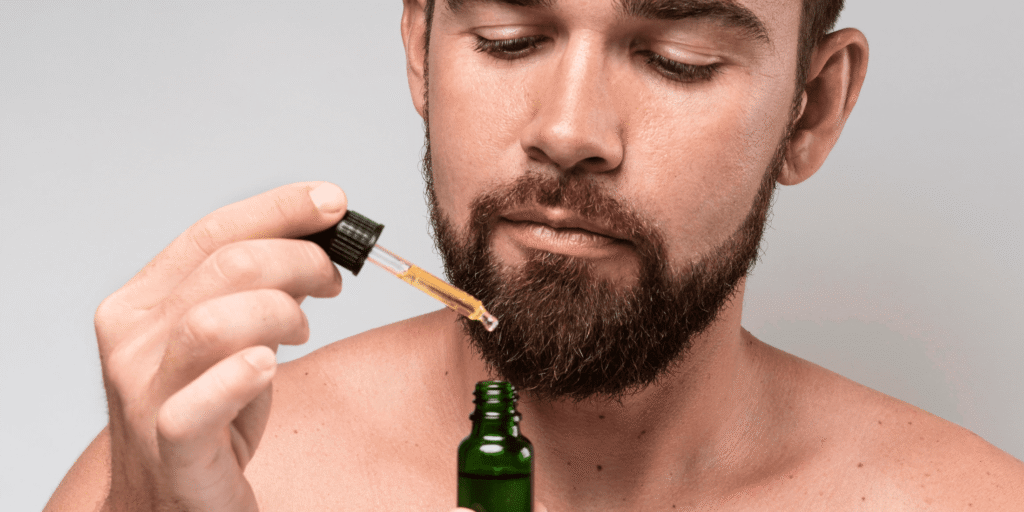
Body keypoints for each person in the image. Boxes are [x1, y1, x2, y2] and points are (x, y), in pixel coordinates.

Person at [45, 0, 1024, 510]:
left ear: (810, 109)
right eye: (511, 39)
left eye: (675, 57)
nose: (566, 129)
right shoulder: (179, 484)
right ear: (421, 47)